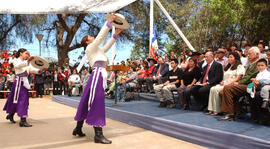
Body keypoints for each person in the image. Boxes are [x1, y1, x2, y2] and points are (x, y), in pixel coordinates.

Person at [73, 14, 123, 144]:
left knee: (85, 102)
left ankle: (78, 129)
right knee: (97, 103)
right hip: (97, 76)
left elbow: (106, 45)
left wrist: (116, 34)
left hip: (98, 76)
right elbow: (100, 38)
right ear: (87, 42)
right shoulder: (90, 48)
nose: (92, 37)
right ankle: (98, 135)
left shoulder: (97, 50)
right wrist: (108, 23)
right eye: (90, 37)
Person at [3, 48, 46, 127]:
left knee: (17, 99)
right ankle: (22, 120)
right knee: (21, 100)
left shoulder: (26, 62)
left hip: (24, 83)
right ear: (21, 53)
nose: (27, 55)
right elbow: (18, 66)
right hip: (19, 82)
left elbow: (31, 69)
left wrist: (40, 70)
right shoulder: (16, 60)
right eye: (26, 53)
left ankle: (11, 114)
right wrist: (28, 61)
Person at [218, 47, 260, 121]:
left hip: (251, 85)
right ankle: (239, 110)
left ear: (256, 55)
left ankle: (230, 114)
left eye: (250, 54)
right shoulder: (251, 64)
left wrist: (238, 83)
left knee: (228, 88)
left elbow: (249, 77)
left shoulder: (258, 64)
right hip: (245, 84)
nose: (248, 56)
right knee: (222, 92)